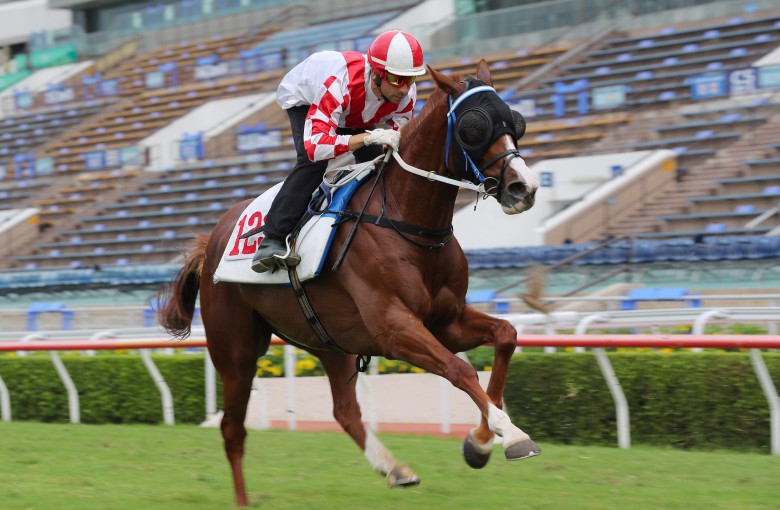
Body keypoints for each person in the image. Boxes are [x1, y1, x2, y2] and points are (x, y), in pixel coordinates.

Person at [251, 30, 426, 273]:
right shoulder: (339, 82)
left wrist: (380, 144)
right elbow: (316, 148)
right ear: (377, 74)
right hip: (308, 98)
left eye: (411, 80)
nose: (405, 90)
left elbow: (397, 144)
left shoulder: (404, 94)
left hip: (355, 107)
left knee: (379, 163)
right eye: (398, 80)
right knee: (313, 164)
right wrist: (366, 137)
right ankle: (272, 239)